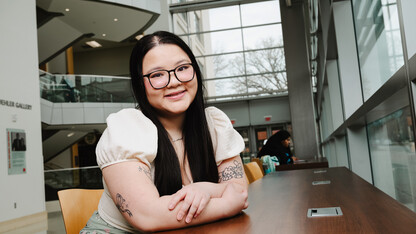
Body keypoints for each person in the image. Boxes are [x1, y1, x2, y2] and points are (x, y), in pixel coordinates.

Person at [81, 31, 248, 233]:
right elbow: (149, 216)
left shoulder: (214, 124)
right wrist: (225, 204)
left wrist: (204, 189)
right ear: (139, 84)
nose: (174, 81)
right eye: (157, 74)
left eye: (183, 68)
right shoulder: (127, 128)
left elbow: (240, 191)